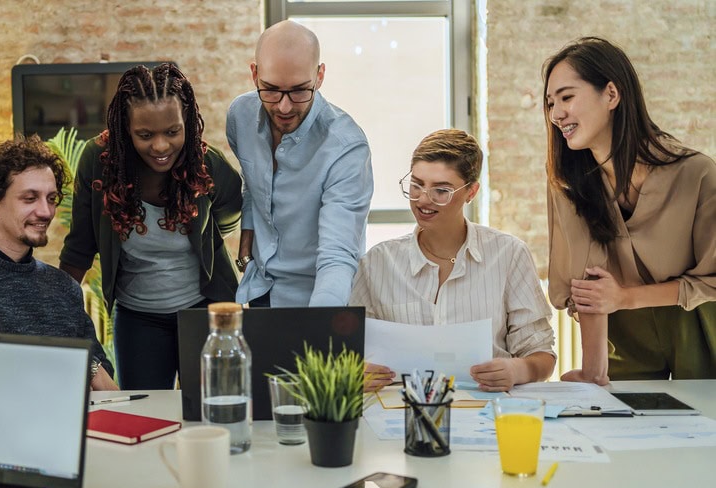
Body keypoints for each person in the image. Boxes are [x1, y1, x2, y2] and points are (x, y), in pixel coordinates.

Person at [543, 37, 716, 384]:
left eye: (566, 97)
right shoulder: (567, 186)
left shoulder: (696, 174)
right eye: (550, 103)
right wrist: (594, 371)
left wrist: (623, 297)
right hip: (624, 339)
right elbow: (586, 285)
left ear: (611, 94)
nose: (556, 113)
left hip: (701, 327)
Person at [59, 63, 242, 390]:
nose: (160, 146)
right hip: (137, 319)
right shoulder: (98, 161)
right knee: (144, 416)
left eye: (172, 131)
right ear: (125, 129)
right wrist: (56, 312)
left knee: (210, 412)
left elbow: (230, 216)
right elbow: (80, 247)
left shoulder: (205, 163)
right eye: (145, 135)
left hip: (204, 313)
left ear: (187, 122)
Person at [351, 129, 556, 392]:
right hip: (399, 414)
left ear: (471, 192)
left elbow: (541, 354)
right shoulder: (377, 263)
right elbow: (347, 353)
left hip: (487, 411)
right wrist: (354, 371)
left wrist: (517, 370)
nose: (423, 200)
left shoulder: (509, 254)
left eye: (441, 191)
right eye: (416, 185)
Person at [0, 136, 118, 391]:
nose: (46, 212)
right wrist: (78, 362)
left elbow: (101, 376)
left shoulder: (63, 286)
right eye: (30, 198)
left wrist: (88, 366)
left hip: (68, 422)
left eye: (50, 199)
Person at [227, 20, 373, 308]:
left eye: (299, 91)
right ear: (254, 74)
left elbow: (338, 254)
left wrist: (318, 324)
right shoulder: (239, 117)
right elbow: (252, 185)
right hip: (259, 289)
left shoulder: (346, 148)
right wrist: (247, 240)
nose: (284, 107)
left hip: (317, 297)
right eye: (270, 90)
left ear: (319, 76)